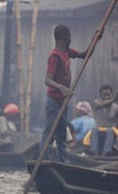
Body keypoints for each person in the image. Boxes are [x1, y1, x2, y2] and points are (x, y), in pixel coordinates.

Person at [40, 25, 101, 162]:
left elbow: (86, 55)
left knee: (61, 134)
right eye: (69, 37)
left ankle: (63, 161)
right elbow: (47, 80)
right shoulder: (55, 56)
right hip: (53, 100)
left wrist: (95, 40)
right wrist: (61, 87)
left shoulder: (67, 52)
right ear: (63, 38)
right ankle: (43, 159)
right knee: (48, 132)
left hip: (63, 101)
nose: (70, 39)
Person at [88, 85, 118, 156]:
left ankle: (107, 152)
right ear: (100, 96)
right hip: (97, 131)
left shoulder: (116, 108)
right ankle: (93, 151)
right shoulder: (96, 103)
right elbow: (101, 105)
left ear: (112, 95)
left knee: (110, 130)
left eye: (108, 95)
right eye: (104, 96)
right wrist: (114, 99)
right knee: (94, 129)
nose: (106, 97)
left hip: (111, 132)